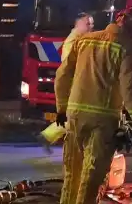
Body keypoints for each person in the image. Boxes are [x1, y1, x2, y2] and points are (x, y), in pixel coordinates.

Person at [53, 7, 132, 204]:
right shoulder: (129, 49)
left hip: (75, 113)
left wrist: (61, 107)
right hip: (103, 116)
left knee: (74, 165)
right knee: (94, 169)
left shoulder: (85, 40)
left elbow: (63, 75)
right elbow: (131, 91)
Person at [41, 12, 96, 148]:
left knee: (78, 117)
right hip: (76, 86)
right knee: (77, 118)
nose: (91, 27)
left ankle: (49, 136)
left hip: (79, 85)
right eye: (87, 24)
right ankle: (47, 136)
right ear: (77, 24)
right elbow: (71, 66)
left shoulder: (81, 39)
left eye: (92, 23)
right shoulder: (74, 41)